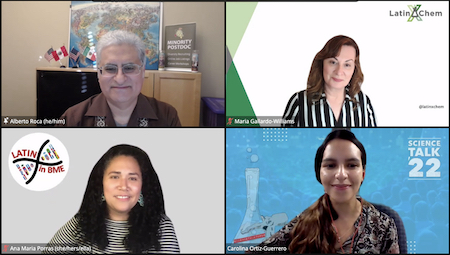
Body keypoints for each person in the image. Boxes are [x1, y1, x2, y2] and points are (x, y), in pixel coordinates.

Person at [253, 130, 399, 253]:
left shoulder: (383, 226)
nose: (341, 174)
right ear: (319, 174)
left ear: (363, 174)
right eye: (330, 165)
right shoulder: (301, 223)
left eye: (352, 165)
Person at [44, 144, 180, 253]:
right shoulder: (80, 223)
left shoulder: (161, 226)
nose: (123, 186)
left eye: (132, 178)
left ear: (143, 185)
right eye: (115, 177)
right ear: (101, 182)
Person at [58, 30, 181, 127]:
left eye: (129, 68)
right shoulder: (72, 119)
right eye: (110, 69)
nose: (120, 79)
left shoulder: (167, 116)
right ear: (99, 74)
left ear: (142, 71)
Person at [282, 35, 377, 127]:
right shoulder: (299, 101)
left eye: (347, 65)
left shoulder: (363, 101)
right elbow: (282, 141)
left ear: (354, 69)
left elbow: (374, 141)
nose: (339, 71)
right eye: (333, 62)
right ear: (322, 64)